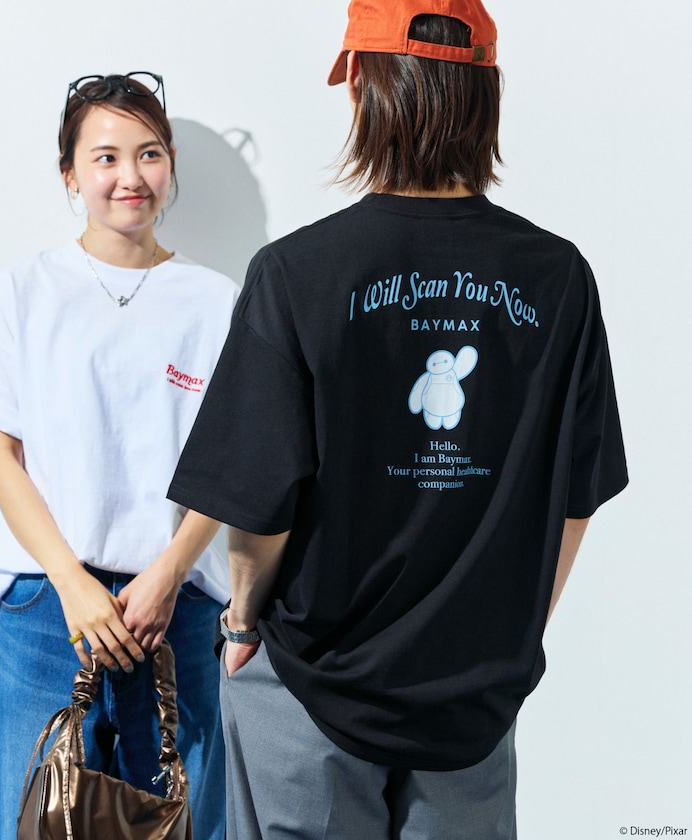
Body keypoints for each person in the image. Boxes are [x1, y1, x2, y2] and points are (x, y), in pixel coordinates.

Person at [168, 0, 629, 836]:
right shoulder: (559, 279)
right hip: (470, 698)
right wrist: (509, 635)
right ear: (487, 96)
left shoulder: (296, 273)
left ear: (366, 91)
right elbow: (575, 497)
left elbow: (259, 509)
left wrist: (239, 621)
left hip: (309, 689)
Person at [0, 73, 238, 840]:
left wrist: (166, 574)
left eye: (149, 153)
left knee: (181, 823)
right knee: (30, 822)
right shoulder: (23, 290)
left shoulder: (216, 301)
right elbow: (0, 452)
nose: (130, 176)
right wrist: (72, 583)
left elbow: (231, 460)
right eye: (105, 157)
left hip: (176, 609)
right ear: (70, 174)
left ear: (170, 165)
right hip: (46, 609)